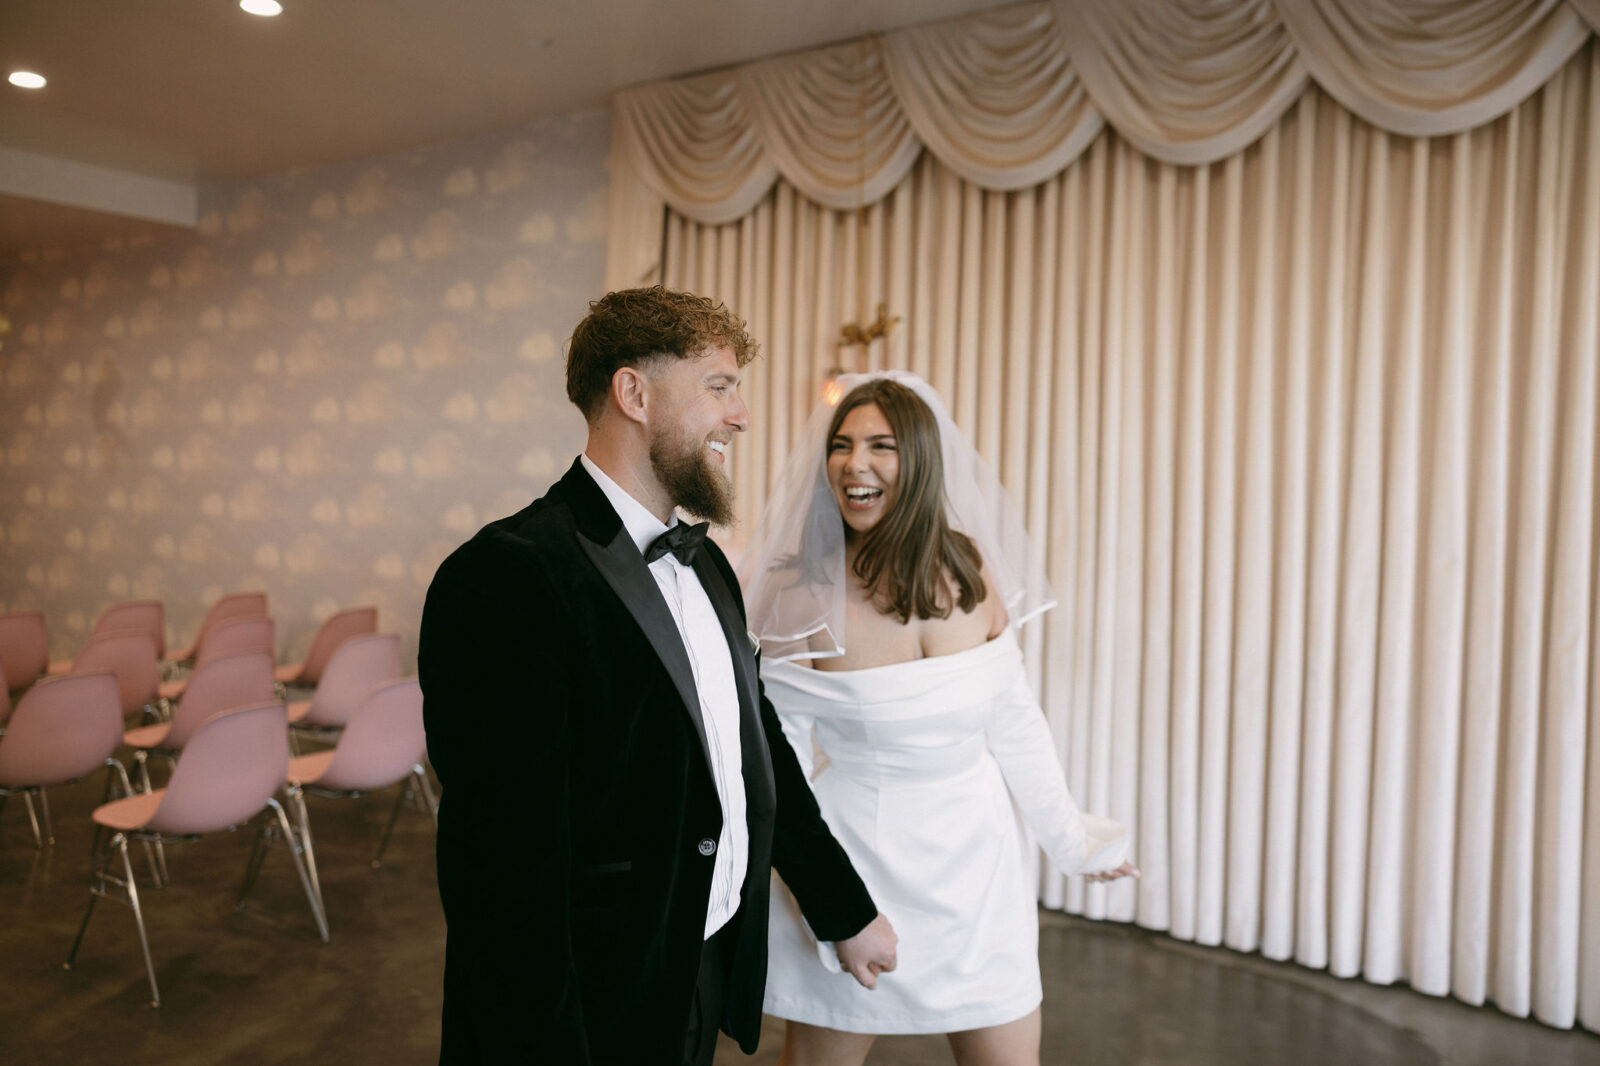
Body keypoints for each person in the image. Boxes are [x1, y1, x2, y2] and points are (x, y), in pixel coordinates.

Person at [418, 287, 898, 1066]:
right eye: (719, 386)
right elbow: (501, 876)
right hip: (585, 1004)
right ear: (633, 392)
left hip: (696, 968)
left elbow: (754, 747)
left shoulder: (706, 562)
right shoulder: (506, 576)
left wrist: (840, 906)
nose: (740, 415)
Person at [739, 372, 1139, 1066]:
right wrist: (819, 897)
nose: (854, 464)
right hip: (856, 860)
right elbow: (776, 756)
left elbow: (1012, 718)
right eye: (842, 444)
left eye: (881, 446)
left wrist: (1071, 840)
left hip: (978, 866)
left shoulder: (967, 566)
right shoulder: (796, 585)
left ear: (919, 459)